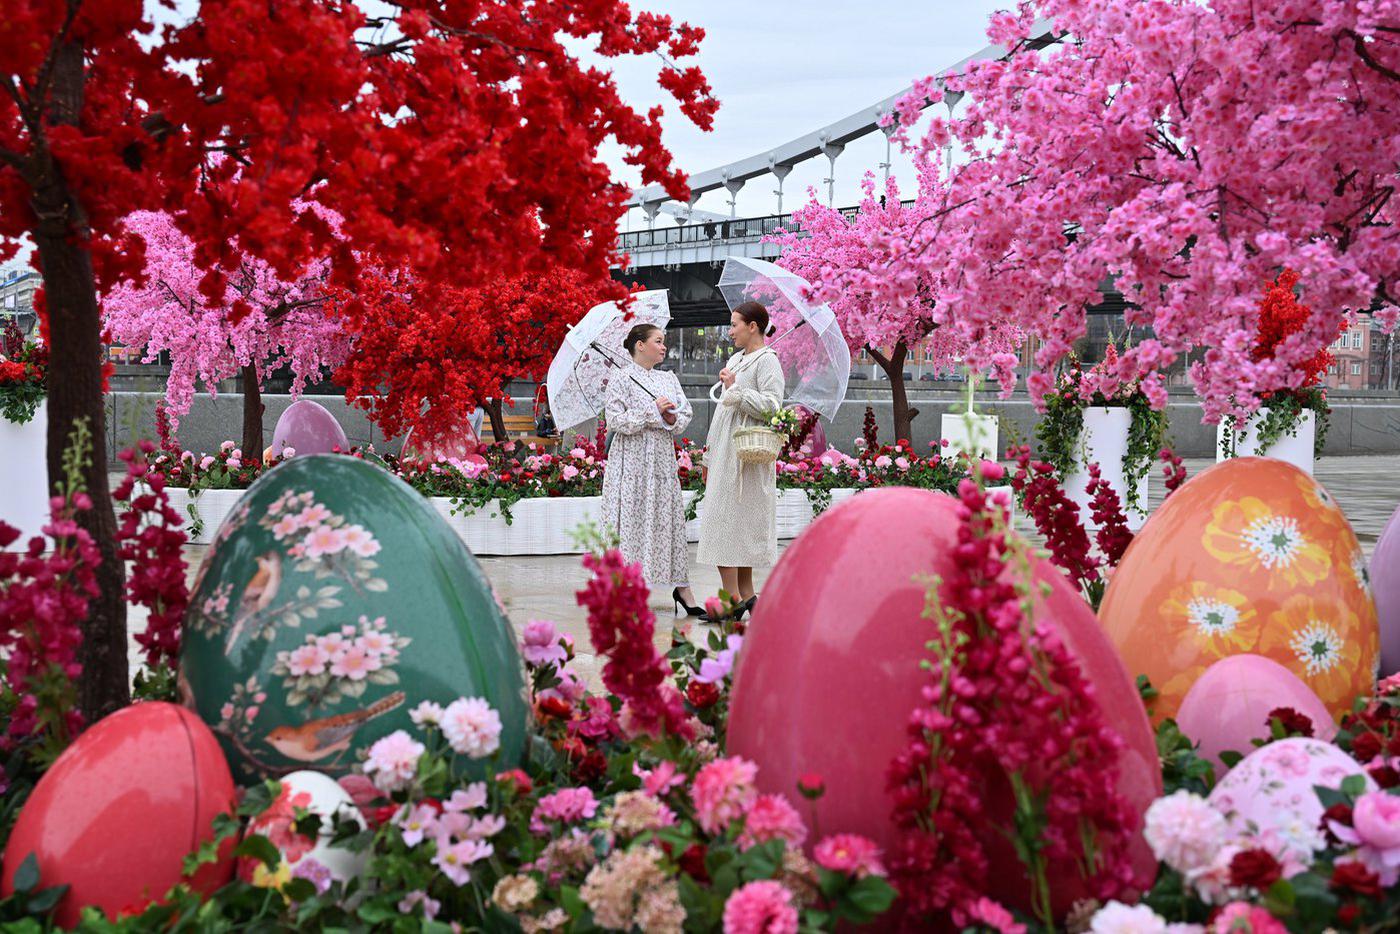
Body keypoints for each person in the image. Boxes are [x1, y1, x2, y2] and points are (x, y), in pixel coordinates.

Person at [600, 323, 704, 616]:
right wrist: (652, 412)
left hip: (660, 461)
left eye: (664, 341)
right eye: (658, 341)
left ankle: (683, 588)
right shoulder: (621, 379)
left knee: (665, 519)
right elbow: (616, 421)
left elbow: (685, 414)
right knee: (632, 519)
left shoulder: (668, 378)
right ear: (640, 345)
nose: (663, 346)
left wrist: (670, 417)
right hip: (631, 461)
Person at [697, 301, 783, 619]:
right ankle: (746, 596)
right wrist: (708, 456)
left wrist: (736, 390)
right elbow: (723, 412)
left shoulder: (768, 361)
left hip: (746, 456)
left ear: (753, 327)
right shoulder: (737, 359)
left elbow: (774, 406)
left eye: (734, 325)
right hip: (725, 451)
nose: (730, 331)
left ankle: (733, 598)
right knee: (731, 525)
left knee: (730, 526)